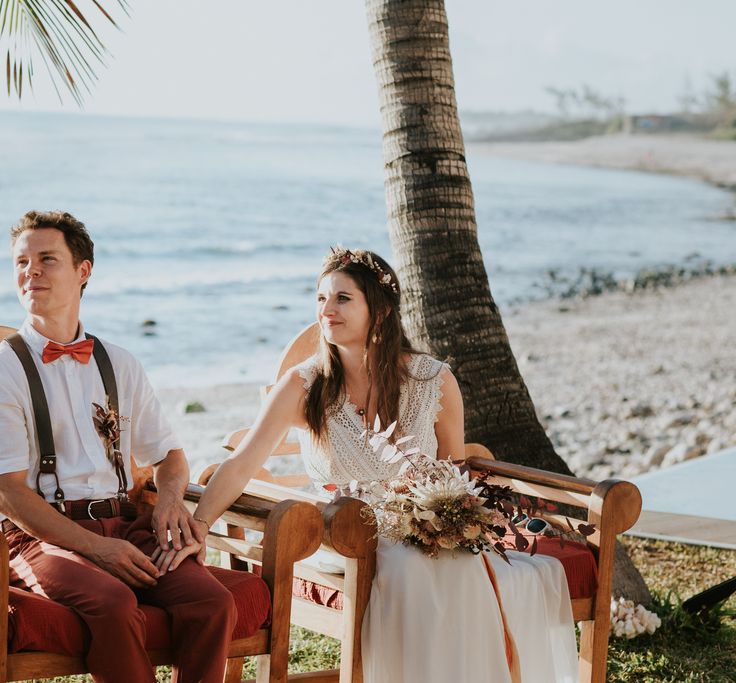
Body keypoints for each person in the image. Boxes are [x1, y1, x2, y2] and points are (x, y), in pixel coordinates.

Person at [158, 247, 578, 683]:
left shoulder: (434, 380)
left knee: (456, 562)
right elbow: (243, 463)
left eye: (342, 298)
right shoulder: (304, 385)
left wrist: (452, 516)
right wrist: (200, 524)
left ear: (379, 310)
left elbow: (454, 471)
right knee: (410, 568)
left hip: (421, 523)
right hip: (339, 532)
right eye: (320, 298)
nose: (326, 310)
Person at [0, 210, 236, 683]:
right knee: (113, 602)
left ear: (83, 270)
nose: (32, 272)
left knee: (212, 602)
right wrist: (95, 549)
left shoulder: (119, 364)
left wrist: (170, 502)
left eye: (48, 259)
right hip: (39, 537)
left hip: (127, 525)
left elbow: (169, 456)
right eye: (22, 262)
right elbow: (6, 494)